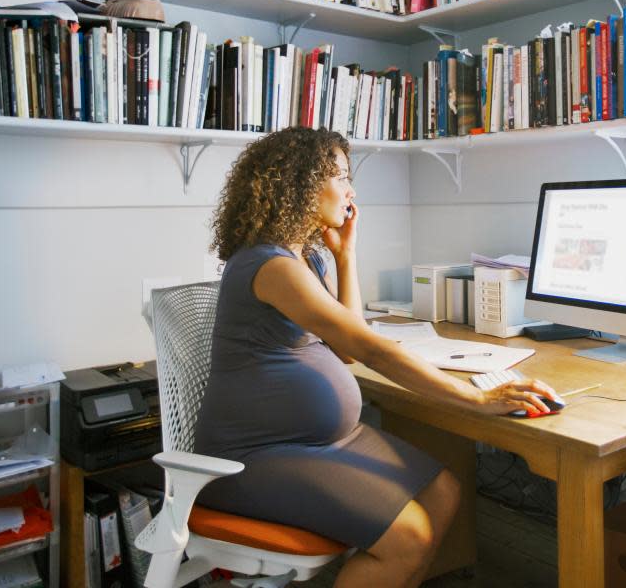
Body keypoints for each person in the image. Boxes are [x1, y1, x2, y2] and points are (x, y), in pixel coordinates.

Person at [196, 127, 558, 587]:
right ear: (300, 183)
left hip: (319, 440)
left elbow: (346, 350)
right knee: (407, 537)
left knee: (443, 493)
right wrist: (476, 399)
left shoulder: (305, 258)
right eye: (341, 177)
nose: (350, 191)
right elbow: (367, 347)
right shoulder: (267, 265)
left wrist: (346, 256)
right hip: (254, 456)